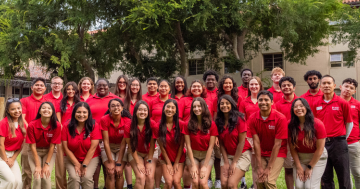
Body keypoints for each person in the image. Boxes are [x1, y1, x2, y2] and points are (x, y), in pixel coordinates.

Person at [313, 75, 353, 189]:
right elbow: (314, 125)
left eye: (329, 83)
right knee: (325, 177)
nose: (326, 85)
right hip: (322, 144)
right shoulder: (316, 104)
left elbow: (349, 123)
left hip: (339, 143)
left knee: (343, 175)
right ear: (320, 86)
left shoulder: (342, 102)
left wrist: (342, 138)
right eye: (324, 83)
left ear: (334, 86)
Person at [249, 90, 288, 189]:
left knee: (269, 181)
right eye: (260, 100)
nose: (263, 102)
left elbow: (277, 145)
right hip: (261, 152)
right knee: (259, 180)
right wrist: (259, 166)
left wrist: (269, 168)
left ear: (272, 102)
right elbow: (256, 143)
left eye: (266, 100)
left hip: (278, 152)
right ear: (257, 102)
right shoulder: (253, 118)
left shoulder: (280, 118)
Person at [86, 78, 119, 189]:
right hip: (94, 137)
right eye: (99, 85)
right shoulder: (89, 100)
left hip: (110, 138)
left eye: (104, 85)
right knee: (95, 164)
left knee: (108, 165)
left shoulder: (116, 99)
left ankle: (107, 186)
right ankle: (95, 186)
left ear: (109, 86)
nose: (102, 87)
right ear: (95, 86)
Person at [288, 98, 327, 189]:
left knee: (310, 186)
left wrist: (310, 167)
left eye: (301, 106)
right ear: (293, 110)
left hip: (317, 158)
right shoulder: (290, 125)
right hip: (300, 158)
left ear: (307, 108)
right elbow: (292, 148)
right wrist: (298, 166)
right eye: (295, 106)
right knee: (299, 185)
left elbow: (320, 149)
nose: (298, 108)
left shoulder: (317, 124)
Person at [211, 75, 242, 188]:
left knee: (232, 182)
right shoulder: (216, 99)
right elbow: (215, 117)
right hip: (223, 132)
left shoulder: (239, 98)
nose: (228, 85)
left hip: (236, 132)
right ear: (221, 85)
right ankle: (219, 178)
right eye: (225, 83)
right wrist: (216, 136)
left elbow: (241, 116)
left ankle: (240, 179)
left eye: (230, 83)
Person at [61, 102, 102, 189]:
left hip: (91, 157)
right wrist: (76, 164)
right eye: (78, 112)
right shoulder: (66, 126)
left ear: (88, 114)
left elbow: (93, 147)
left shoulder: (94, 125)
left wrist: (84, 165)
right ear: (74, 113)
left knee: (86, 178)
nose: (81, 115)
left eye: (84, 112)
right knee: (74, 177)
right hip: (71, 156)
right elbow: (65, 147)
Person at [216, 95, 251, 189]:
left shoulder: (240, 119)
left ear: (232, 105)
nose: (224, 105)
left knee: (231, 184)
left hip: (241, 154)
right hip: (227, 154)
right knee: (224, 184)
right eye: (222, 103)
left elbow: (241, 143)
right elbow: (221, 144)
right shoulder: (219, 121)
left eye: (227, 103)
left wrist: (234, 163)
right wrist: (226, 162)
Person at [183, 97, 218, 189]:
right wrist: (193, 166)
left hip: (207, 155)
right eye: (194, 107)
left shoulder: (212, 124)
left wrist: (205, 167)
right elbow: (188, 146)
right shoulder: (188, 124)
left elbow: (211, 147)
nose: (197, 109)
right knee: (195, 182)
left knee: (202, 182)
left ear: (204, 108)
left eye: (199, 106)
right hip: (192, 155)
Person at [20, 77, 48, 189]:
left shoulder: (48, 103)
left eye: (41, 85)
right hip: (28, 137)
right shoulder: (24, 101)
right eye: (37, 85)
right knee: (26, 168)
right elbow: (22, 119)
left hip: (44, 139)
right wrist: (32, 131)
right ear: (32, 87)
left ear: (45, 88)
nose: (39, 87)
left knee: (41, 168)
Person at [26, 102, 61, 189]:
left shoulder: (57, 125)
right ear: (40, 111)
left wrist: (46, 165)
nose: (46, 110)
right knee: (37, 177)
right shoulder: (31, 125)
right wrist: (38, 166)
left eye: (49, 108)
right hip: (34, 151)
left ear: (53, 111)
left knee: (45, 177)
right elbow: (32, 146)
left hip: (49, 151)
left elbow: (52, 146)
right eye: (43, 108)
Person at [239, 76, 266, 189]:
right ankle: (256, 186)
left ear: (260, 86)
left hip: (264, 136)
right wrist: (248, 138)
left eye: (256, 84)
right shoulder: (244, 101)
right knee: (255, 165)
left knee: (264, 164)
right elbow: (241, 120)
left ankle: (265, 185)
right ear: (248, 87)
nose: (254, 86)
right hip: (250, 137)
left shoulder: (265, 100)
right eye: (251, 84)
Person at [124, 101, 158, 189]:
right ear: (135, 111)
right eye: (140, 110)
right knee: (140, 176)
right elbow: (131, 146)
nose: (142, 112)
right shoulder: (128, 125)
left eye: (145, 110)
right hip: (135, 152)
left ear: (148, 112)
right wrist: (138, 163)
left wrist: (149, 161)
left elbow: (153, 144)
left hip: (150, 152)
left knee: (150, 177)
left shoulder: (152, 124)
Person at [153, 99, 186, 189]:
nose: (170, 109)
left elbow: (181, 146)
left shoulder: (182, 125)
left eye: (172, 107)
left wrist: (175, 163)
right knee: (168, 181)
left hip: (179, 158)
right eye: (168, 107)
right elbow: (162, 148)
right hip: (165, 157)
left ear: (176, 111)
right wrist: (168, 164)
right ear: (164, 109)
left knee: (176, 182)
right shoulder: (157, 126)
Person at [100, 99, 132, 189]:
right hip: (107, 146)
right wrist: (111, 162)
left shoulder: (127, 121)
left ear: (122, 108)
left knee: (119, 172)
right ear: (109, 109)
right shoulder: (104, 119)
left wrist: (118, 163)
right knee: (110, 172)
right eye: (113, 106)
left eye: (118, 105)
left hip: (122, 147)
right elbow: (105, 142)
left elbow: (124, 143)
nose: (116, 108)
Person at [56, 81, 81, 189]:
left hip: (76, 135)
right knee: (61, 165)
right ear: (65, 91)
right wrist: (65, 132)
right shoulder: (60, 103)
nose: (70, 91)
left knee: (76, 161)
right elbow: (58, 121)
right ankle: (61, 187)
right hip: (63, 136)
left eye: (73, 89)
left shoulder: (80, 103)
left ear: (76, 91)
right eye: (68, 89)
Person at [274, 76, 297, 189]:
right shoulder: (277, 105)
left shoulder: (300, 102)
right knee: (288, 169)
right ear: (280, 88)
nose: (286, 87)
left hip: (300, 140)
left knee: (300, 167)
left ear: (294, 87)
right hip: (286, 141)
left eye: (289, 85)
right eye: (284, 85)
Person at [0, 98, 27, 189]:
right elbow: (0, 145)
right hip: (1, 156)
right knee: (10, 181)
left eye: (19, 108)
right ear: (7, 110)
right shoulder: (3, 123)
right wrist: (5, 160)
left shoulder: (22, 124)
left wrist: (12, 158)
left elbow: (21, 144)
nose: (17, 111)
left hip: (12, 156)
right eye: (13, 109)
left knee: (18, 182)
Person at [339, 78, 360, 188]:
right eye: (346, 86)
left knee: (357, 172)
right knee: (345, 174)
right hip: (338, 143)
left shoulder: (357, 104)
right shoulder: (335, 102)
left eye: (351, 88)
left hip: (353, 143)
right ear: (340, 87)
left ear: (354, 92)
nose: (348, 89)